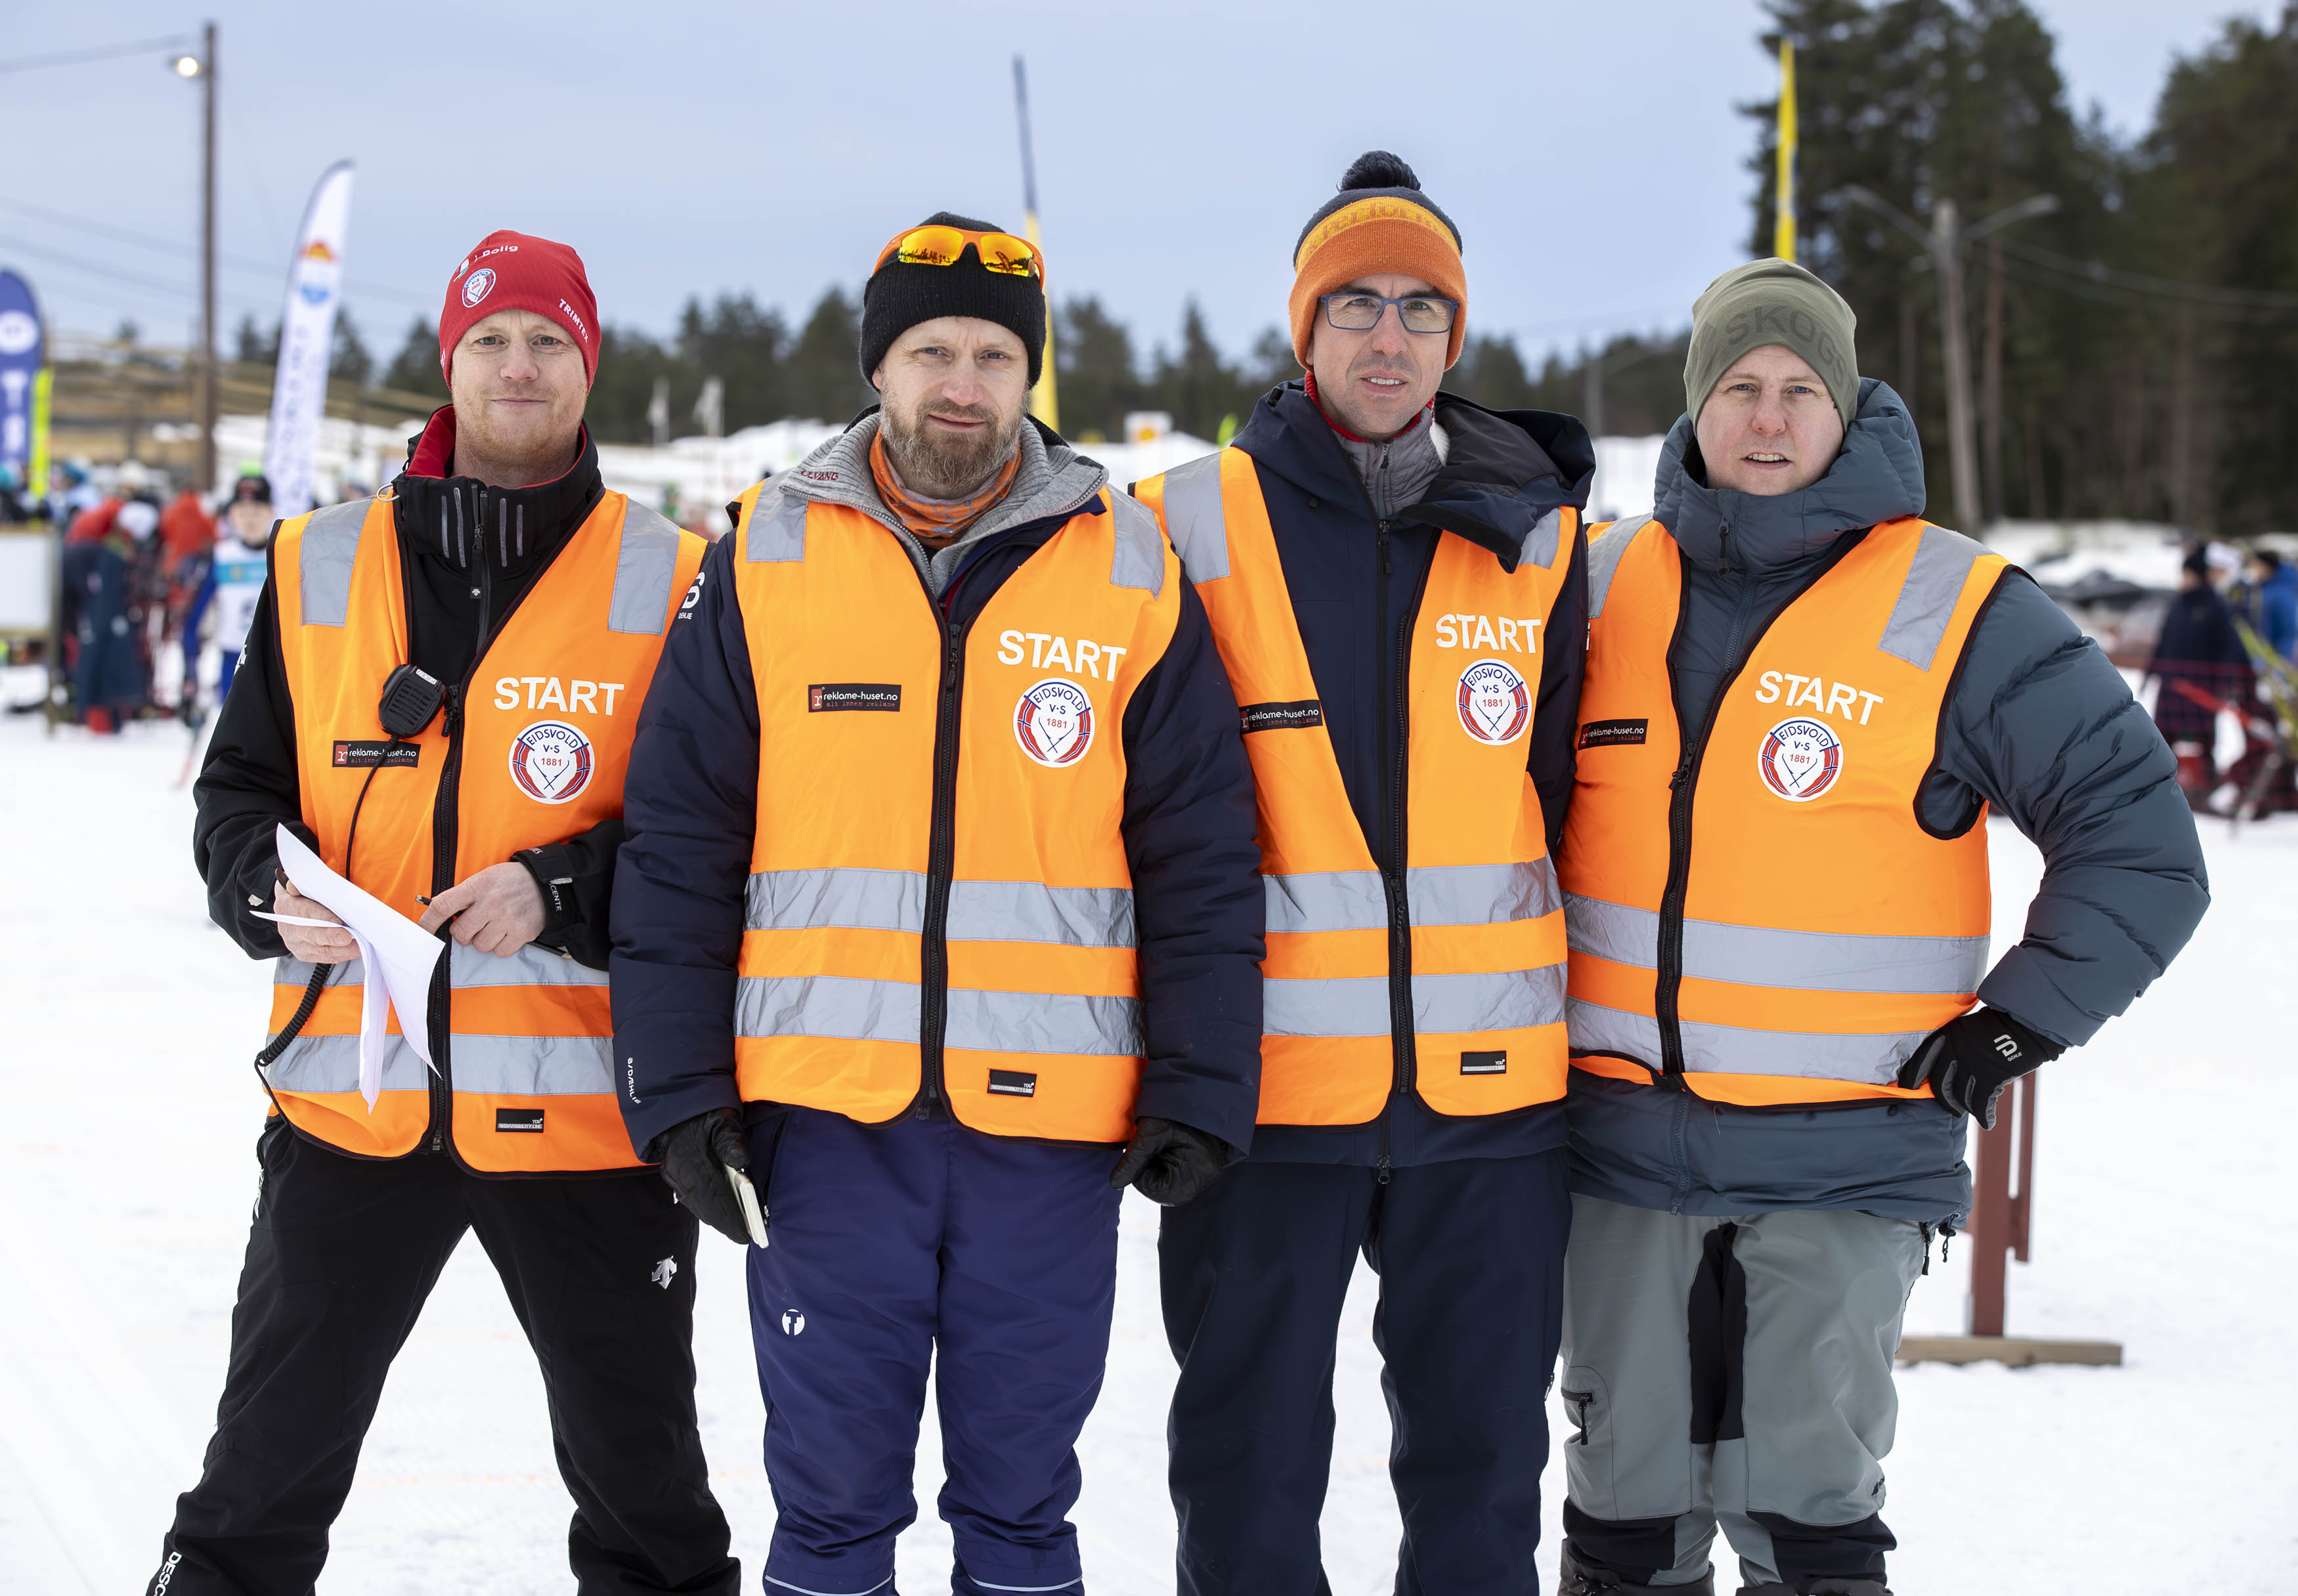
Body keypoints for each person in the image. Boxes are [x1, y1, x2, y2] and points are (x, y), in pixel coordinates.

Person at [611, 212, 1265, 1596]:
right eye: (926, 351)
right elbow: (681, 845)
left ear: (1026, 374)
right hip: (822, 1125)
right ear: (878, 369)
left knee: (1022, 1504)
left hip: (1050, 1132)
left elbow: (1198, 855)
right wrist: (674, 1088)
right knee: (832, 1503)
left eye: (988, 353)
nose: (958, 382)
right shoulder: (765, 557)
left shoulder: (1130, 566)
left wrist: (1201, 1081)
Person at [1553, 260, 2208, 1596]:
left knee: (1808, 1521)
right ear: (1694, 410)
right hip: (1615, 1152)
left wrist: (2021, 1020)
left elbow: (2142, 842)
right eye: (1738, 386)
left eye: (1801, 389)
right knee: (1622, 1523)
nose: (1769, 416)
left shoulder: (1959, 608)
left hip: (1840, 1158)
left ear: (1847, 413)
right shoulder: (1596, 583)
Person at [156, 230, 739, 1595]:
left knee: (645, 1484)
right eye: (491, 339)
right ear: (449, 362)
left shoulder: (679, 574)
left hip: (588, 1102)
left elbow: (719, 825)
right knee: (262, 1472)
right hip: (356, 1093)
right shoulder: (317, 564)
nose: (518, 366)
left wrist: (562, 886)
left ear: (587, 365)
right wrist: (258, 881)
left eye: (548, 341)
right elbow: (236, 789)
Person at [1133, 151, 1592, 1593]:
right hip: (1262, 1104)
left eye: (1418, 310)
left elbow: (1577, 795)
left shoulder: (1539, 536)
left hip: (1490, 1108)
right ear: (1301, 330)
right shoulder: (1178, 526)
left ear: (1456, 340)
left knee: (1480, 1482)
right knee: (1245, 1475)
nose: (1386, 338)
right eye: (1354, 307)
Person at [2148, 546, 2250, 806]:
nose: (2183, 579)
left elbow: (2228, 648)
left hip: (2201, 687)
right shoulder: (2178, 603)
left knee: (2205, 739)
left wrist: (2223, 683)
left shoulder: (2216, 606)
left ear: (2199, 576)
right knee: (2163, 737)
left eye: (2188, 574)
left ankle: (2207, 784)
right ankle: (2157, 783)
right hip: (2171, 685)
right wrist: (2154, 669)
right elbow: (2165, 639)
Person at [60, 495, 157, 731]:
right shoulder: (111, 539)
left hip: (82, 578)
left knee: (86, 636)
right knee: (99, 640)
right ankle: (96, 706)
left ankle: (86, 704)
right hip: (93, 585)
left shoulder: (107, 515)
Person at [200, 473, 275, 704]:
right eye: (242, 513)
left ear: (271, 513)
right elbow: (197, 609)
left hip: (274, 658)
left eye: (257, 512)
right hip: (233, 655)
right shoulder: (223, 556)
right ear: (231, 517)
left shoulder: (281, 553)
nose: (249, 520)